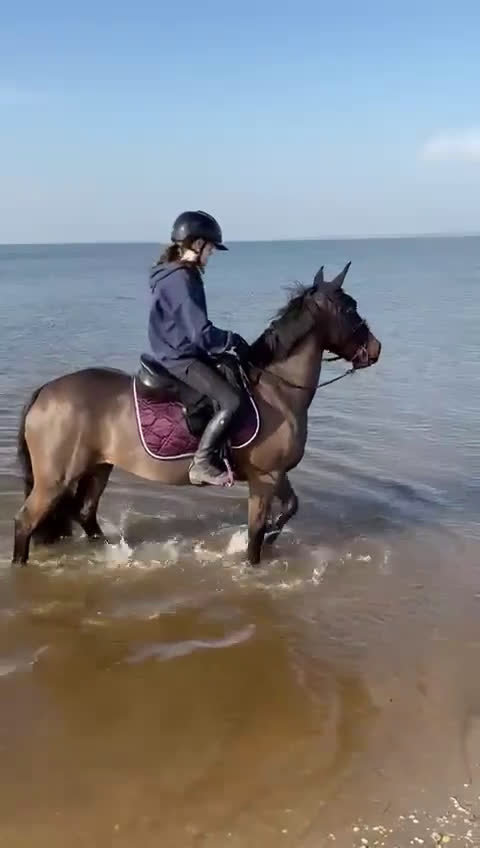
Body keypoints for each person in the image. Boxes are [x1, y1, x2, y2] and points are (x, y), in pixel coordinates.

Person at [147, 210, 250, 486]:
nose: (212, 254)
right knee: (231, 401)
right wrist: (232, 340)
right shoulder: (182, 278)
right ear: (197, 244)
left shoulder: (173, 273)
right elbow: (200, 333)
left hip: (175, 350)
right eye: (211, 247)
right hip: (180, 357)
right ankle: (201, 463)